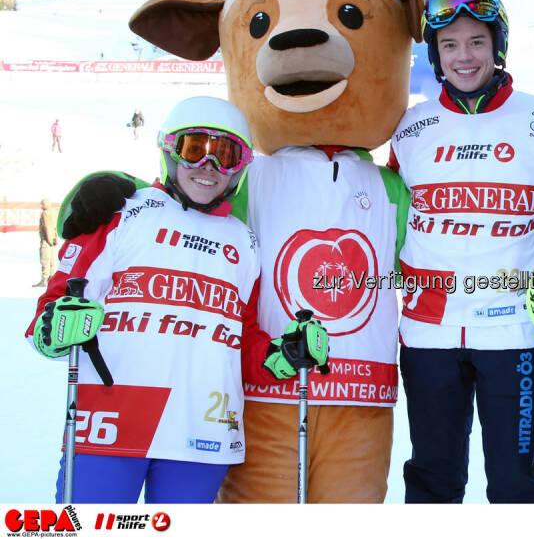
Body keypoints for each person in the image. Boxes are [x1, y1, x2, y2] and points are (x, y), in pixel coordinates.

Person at [25, 96, 326, 503]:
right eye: (194, 149)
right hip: (112, 424)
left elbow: (242, 338)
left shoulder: (244, 240)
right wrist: (55, 326)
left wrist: (282, 355)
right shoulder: (121, 212)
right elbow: (55, 305)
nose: (208, 166)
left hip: (201, 433)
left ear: (241, 166)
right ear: (170, 151)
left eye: (225, 154)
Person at [388, 0, 534, 503]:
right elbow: (392, 219)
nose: (464, 57)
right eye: (450, 45)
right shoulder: (411, 128)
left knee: (514, 480)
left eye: (476, 42)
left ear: (498, 46)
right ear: (435, 54)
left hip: (514, 330)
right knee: (433, 475)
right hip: (429, 333)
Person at [34, 199, 58, 287]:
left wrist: (49, 240)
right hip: (53, 239)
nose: (41, 206)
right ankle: (51, 279)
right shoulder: (54, 212)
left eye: (42, 204)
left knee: (45, 260)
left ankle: (44, 279)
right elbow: (55, 226)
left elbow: (47, 227)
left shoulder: (45, 213)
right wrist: (55, 237)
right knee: (52, 260)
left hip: (46, 240)